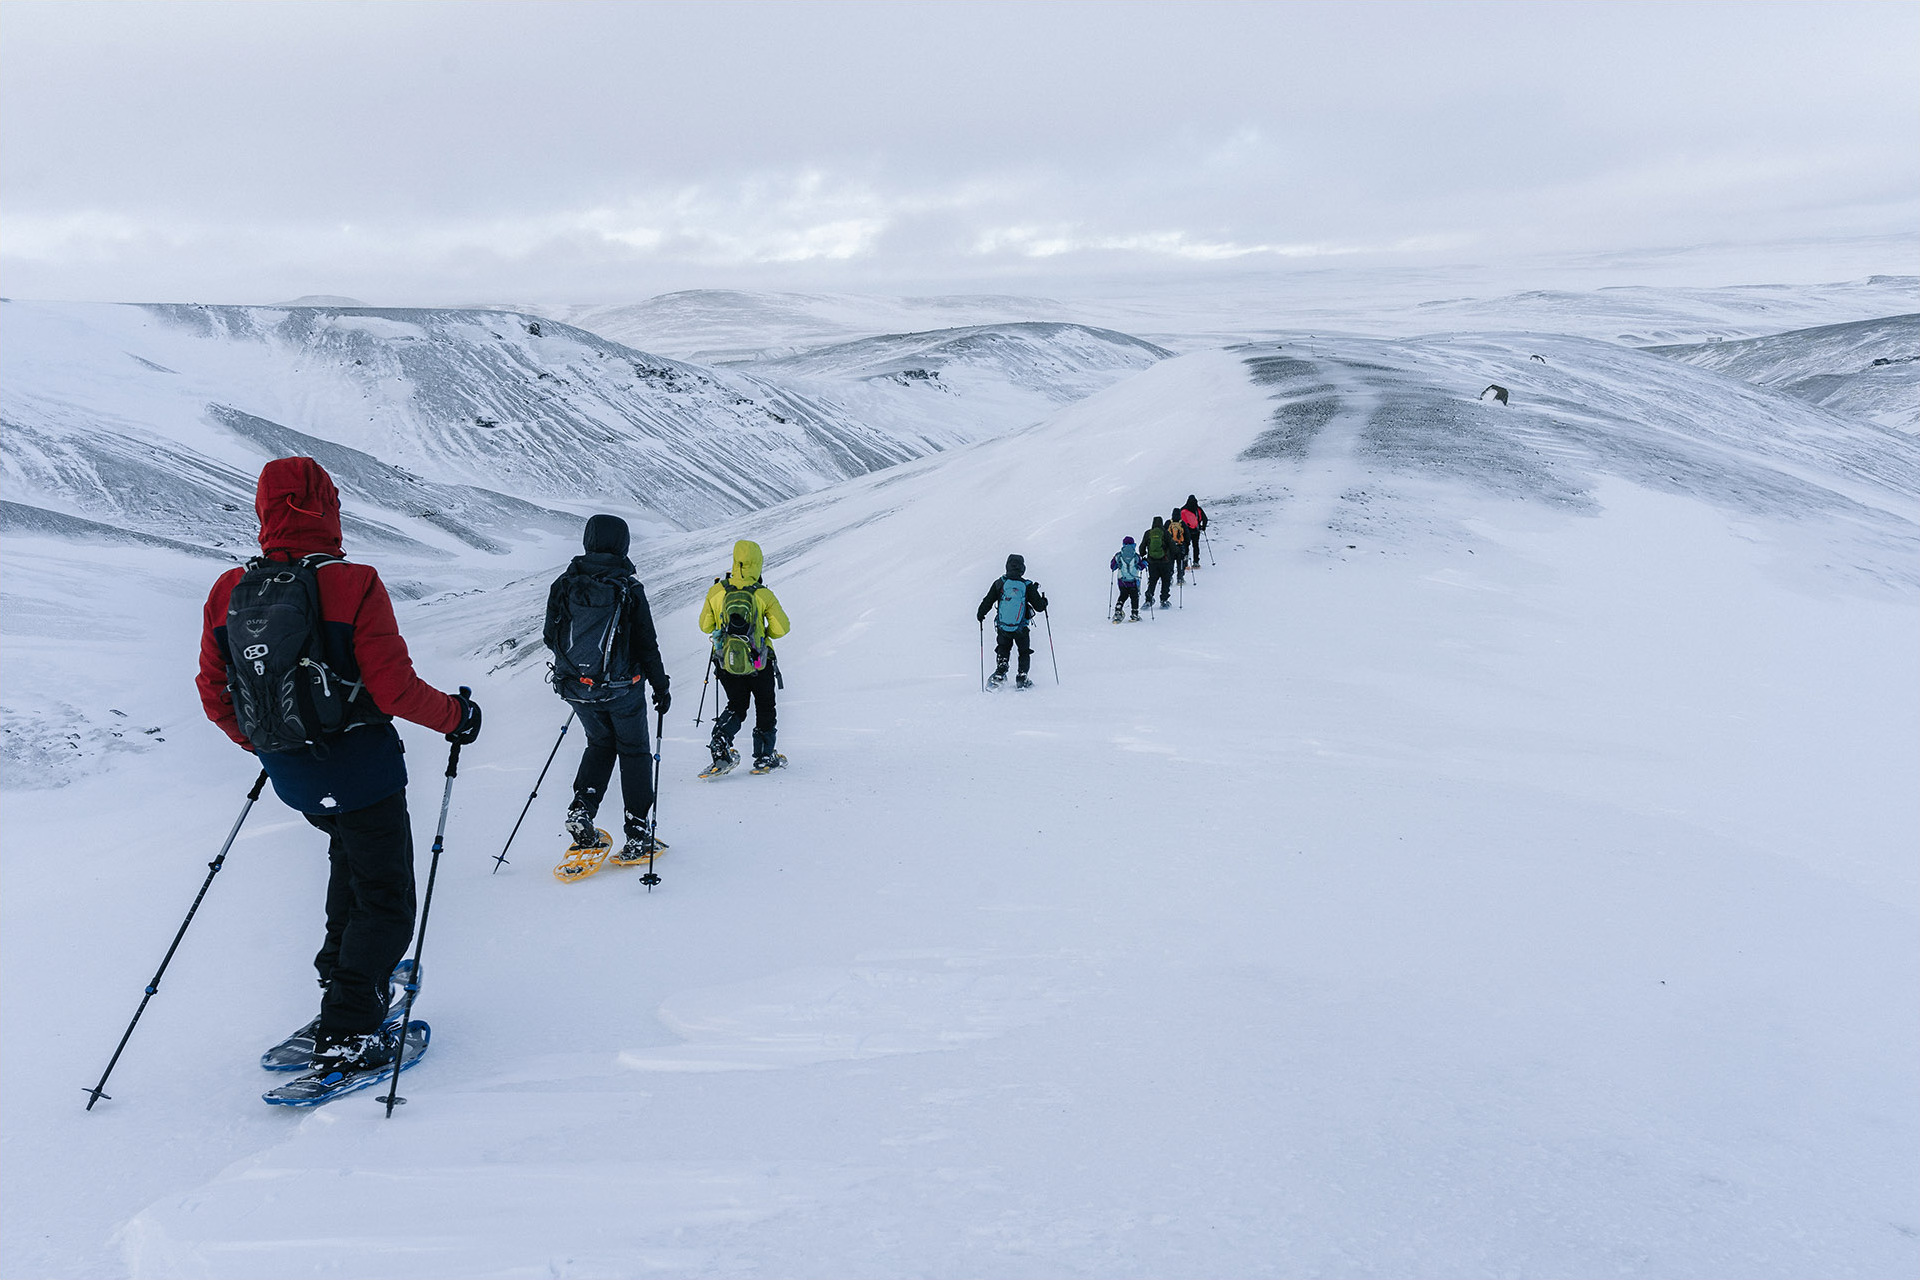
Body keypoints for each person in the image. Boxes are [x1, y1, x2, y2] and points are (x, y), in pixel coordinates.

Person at [196, 457, 480, 1076]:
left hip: (294, 777)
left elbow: (214, 693)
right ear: (327, 506)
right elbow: (395, 690)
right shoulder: (355, 583)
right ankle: (348, 1031)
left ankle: (342, 991)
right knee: (384, 899)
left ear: (264, 509)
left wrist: (270, 747)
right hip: (363, 772)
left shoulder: (228, 592)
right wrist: (459, 717)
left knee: (349, 870)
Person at [544, 513, 671, 862]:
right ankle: (638, 830)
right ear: (623, 544)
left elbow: (549, 636)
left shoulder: (564, 584)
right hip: (622, 689)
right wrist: (661, 687)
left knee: (599, 745)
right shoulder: (628, 588)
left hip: (576, 688)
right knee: (634, 752)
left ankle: (581, 808)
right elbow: (647, 644)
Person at [698, 540, 791, 774]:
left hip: (727, 662)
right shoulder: (762, 594)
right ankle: (764, 757)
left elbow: (704, 625)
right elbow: (782, 628)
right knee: (765, 706)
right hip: (759, 661)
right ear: (758, 563)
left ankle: (721, 743)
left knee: (737, 705)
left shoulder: (718, 591)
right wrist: (762, 635)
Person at [976, 553, 1049, 689]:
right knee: (1024, 651)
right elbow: (1039, 607)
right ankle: (1022, 677)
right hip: (1021, 628)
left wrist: (981, 614)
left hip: (1003, 627)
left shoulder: (1000, 583)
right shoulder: (1027, 585)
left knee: (1003, 648)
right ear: (1022, 568)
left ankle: (1000, 673)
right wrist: (1044, 601)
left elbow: (988, 601)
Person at [1140, 516, 1174, 608]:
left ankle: (1148, 600)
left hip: (1152, 562)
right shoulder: (1165, 533)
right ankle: (1164, 600)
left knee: (1152, 580)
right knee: (1165, 581)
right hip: (1165, 561)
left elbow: (1142, 546)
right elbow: (1172, 546)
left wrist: (1143, 554)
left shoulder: (1148, 533)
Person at [1110, 536, 1142, 622]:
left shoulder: (1119, 555)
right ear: (1133, 545)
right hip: (1133, 580)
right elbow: (1141, 566)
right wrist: (1145, 563)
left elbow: (1112, 567)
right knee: (1134, 597)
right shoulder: (1136, 556)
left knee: (1123, 595)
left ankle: (1118, 610)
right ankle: (1134, 614)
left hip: (1122, 581)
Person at [1180, 495, 1207, 567]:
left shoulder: (1183, 509)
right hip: (1196, 531)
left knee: (1186, 546)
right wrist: (1203, 527)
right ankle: (1196, 562)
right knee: (1195, 546)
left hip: (1186, 532)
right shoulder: (1198, 509)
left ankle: (1185, 563)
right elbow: (1205, 519)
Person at [1167, 507, 1190, 587]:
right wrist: (1186, 547)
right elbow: (1187, 536)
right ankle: (1180, 578)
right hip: (1180, 546)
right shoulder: (1182, 523)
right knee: (1180, 563)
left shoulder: (1168, 523)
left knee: (1170, 563)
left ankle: (1169, 578)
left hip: (1170, 547)